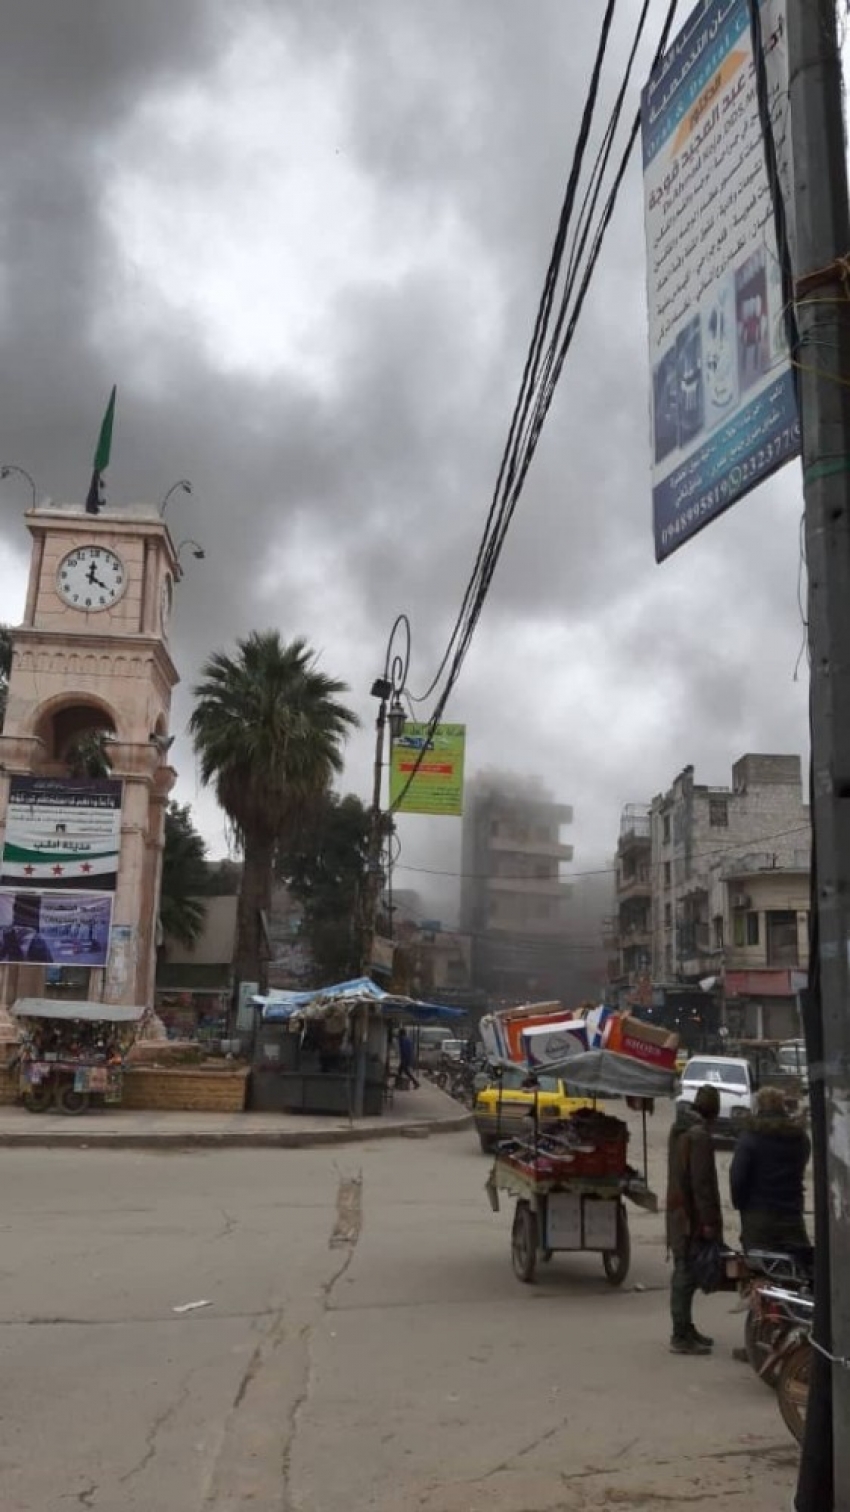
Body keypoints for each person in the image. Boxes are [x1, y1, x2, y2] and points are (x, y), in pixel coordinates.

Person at [666, 1084, 723, 1355]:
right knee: (686, 1273)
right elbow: (701, 1184)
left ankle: (686, 1328)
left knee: (684, 1269)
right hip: (689, 1215)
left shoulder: (680, 1128)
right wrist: (709, 1220)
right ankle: (680, 1335)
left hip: (678, 1211)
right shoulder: (699, 1137)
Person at [730, 1085, 811, 1252]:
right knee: (797, 1267)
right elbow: (802, 1165)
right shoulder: (799, 1137)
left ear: (758, 1107)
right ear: (782, 1107)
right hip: (791, 1214)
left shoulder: (749, 1138)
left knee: (759, 1268)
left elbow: (737, 1178)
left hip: (758, 1215)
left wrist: (741, 1204)